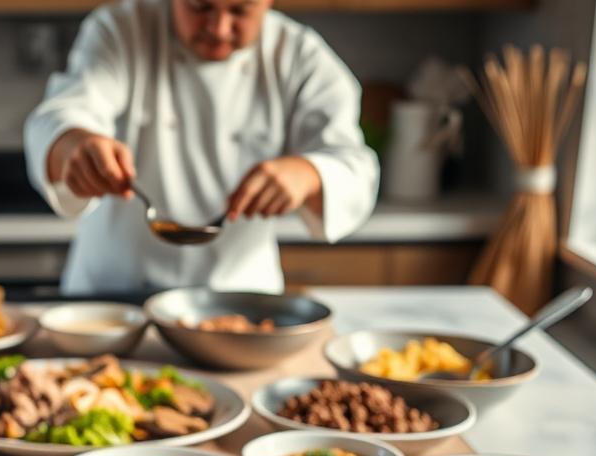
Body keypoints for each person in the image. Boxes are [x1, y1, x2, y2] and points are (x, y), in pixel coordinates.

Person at [24, 0, 379, 295]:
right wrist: (75, 144)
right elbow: (62, 113)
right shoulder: (121, 29)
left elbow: (355, 167)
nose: (219, 27)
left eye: (240, 10)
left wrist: (309, 174)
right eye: (200, 6)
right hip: (113, 298)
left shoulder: (300, 55)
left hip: (239, 303)